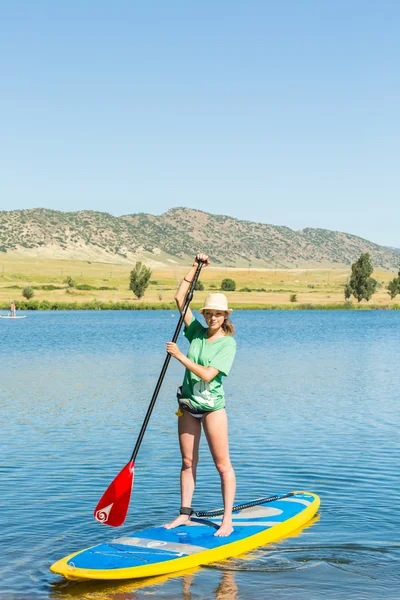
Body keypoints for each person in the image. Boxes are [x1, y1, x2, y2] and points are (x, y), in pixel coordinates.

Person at [165, 253, 237, 537]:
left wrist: (180, 356)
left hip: (212, 409)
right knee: (187, 462)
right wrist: (195, 267)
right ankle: (185, 514)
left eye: (218, 314)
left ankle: (227, 520)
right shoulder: (195, 331)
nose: (212, 318)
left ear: (225, 317)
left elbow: (208, 375)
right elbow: (180, 299)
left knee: (222, 465)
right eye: (209, 313)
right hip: (188, 405)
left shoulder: (227, 344)